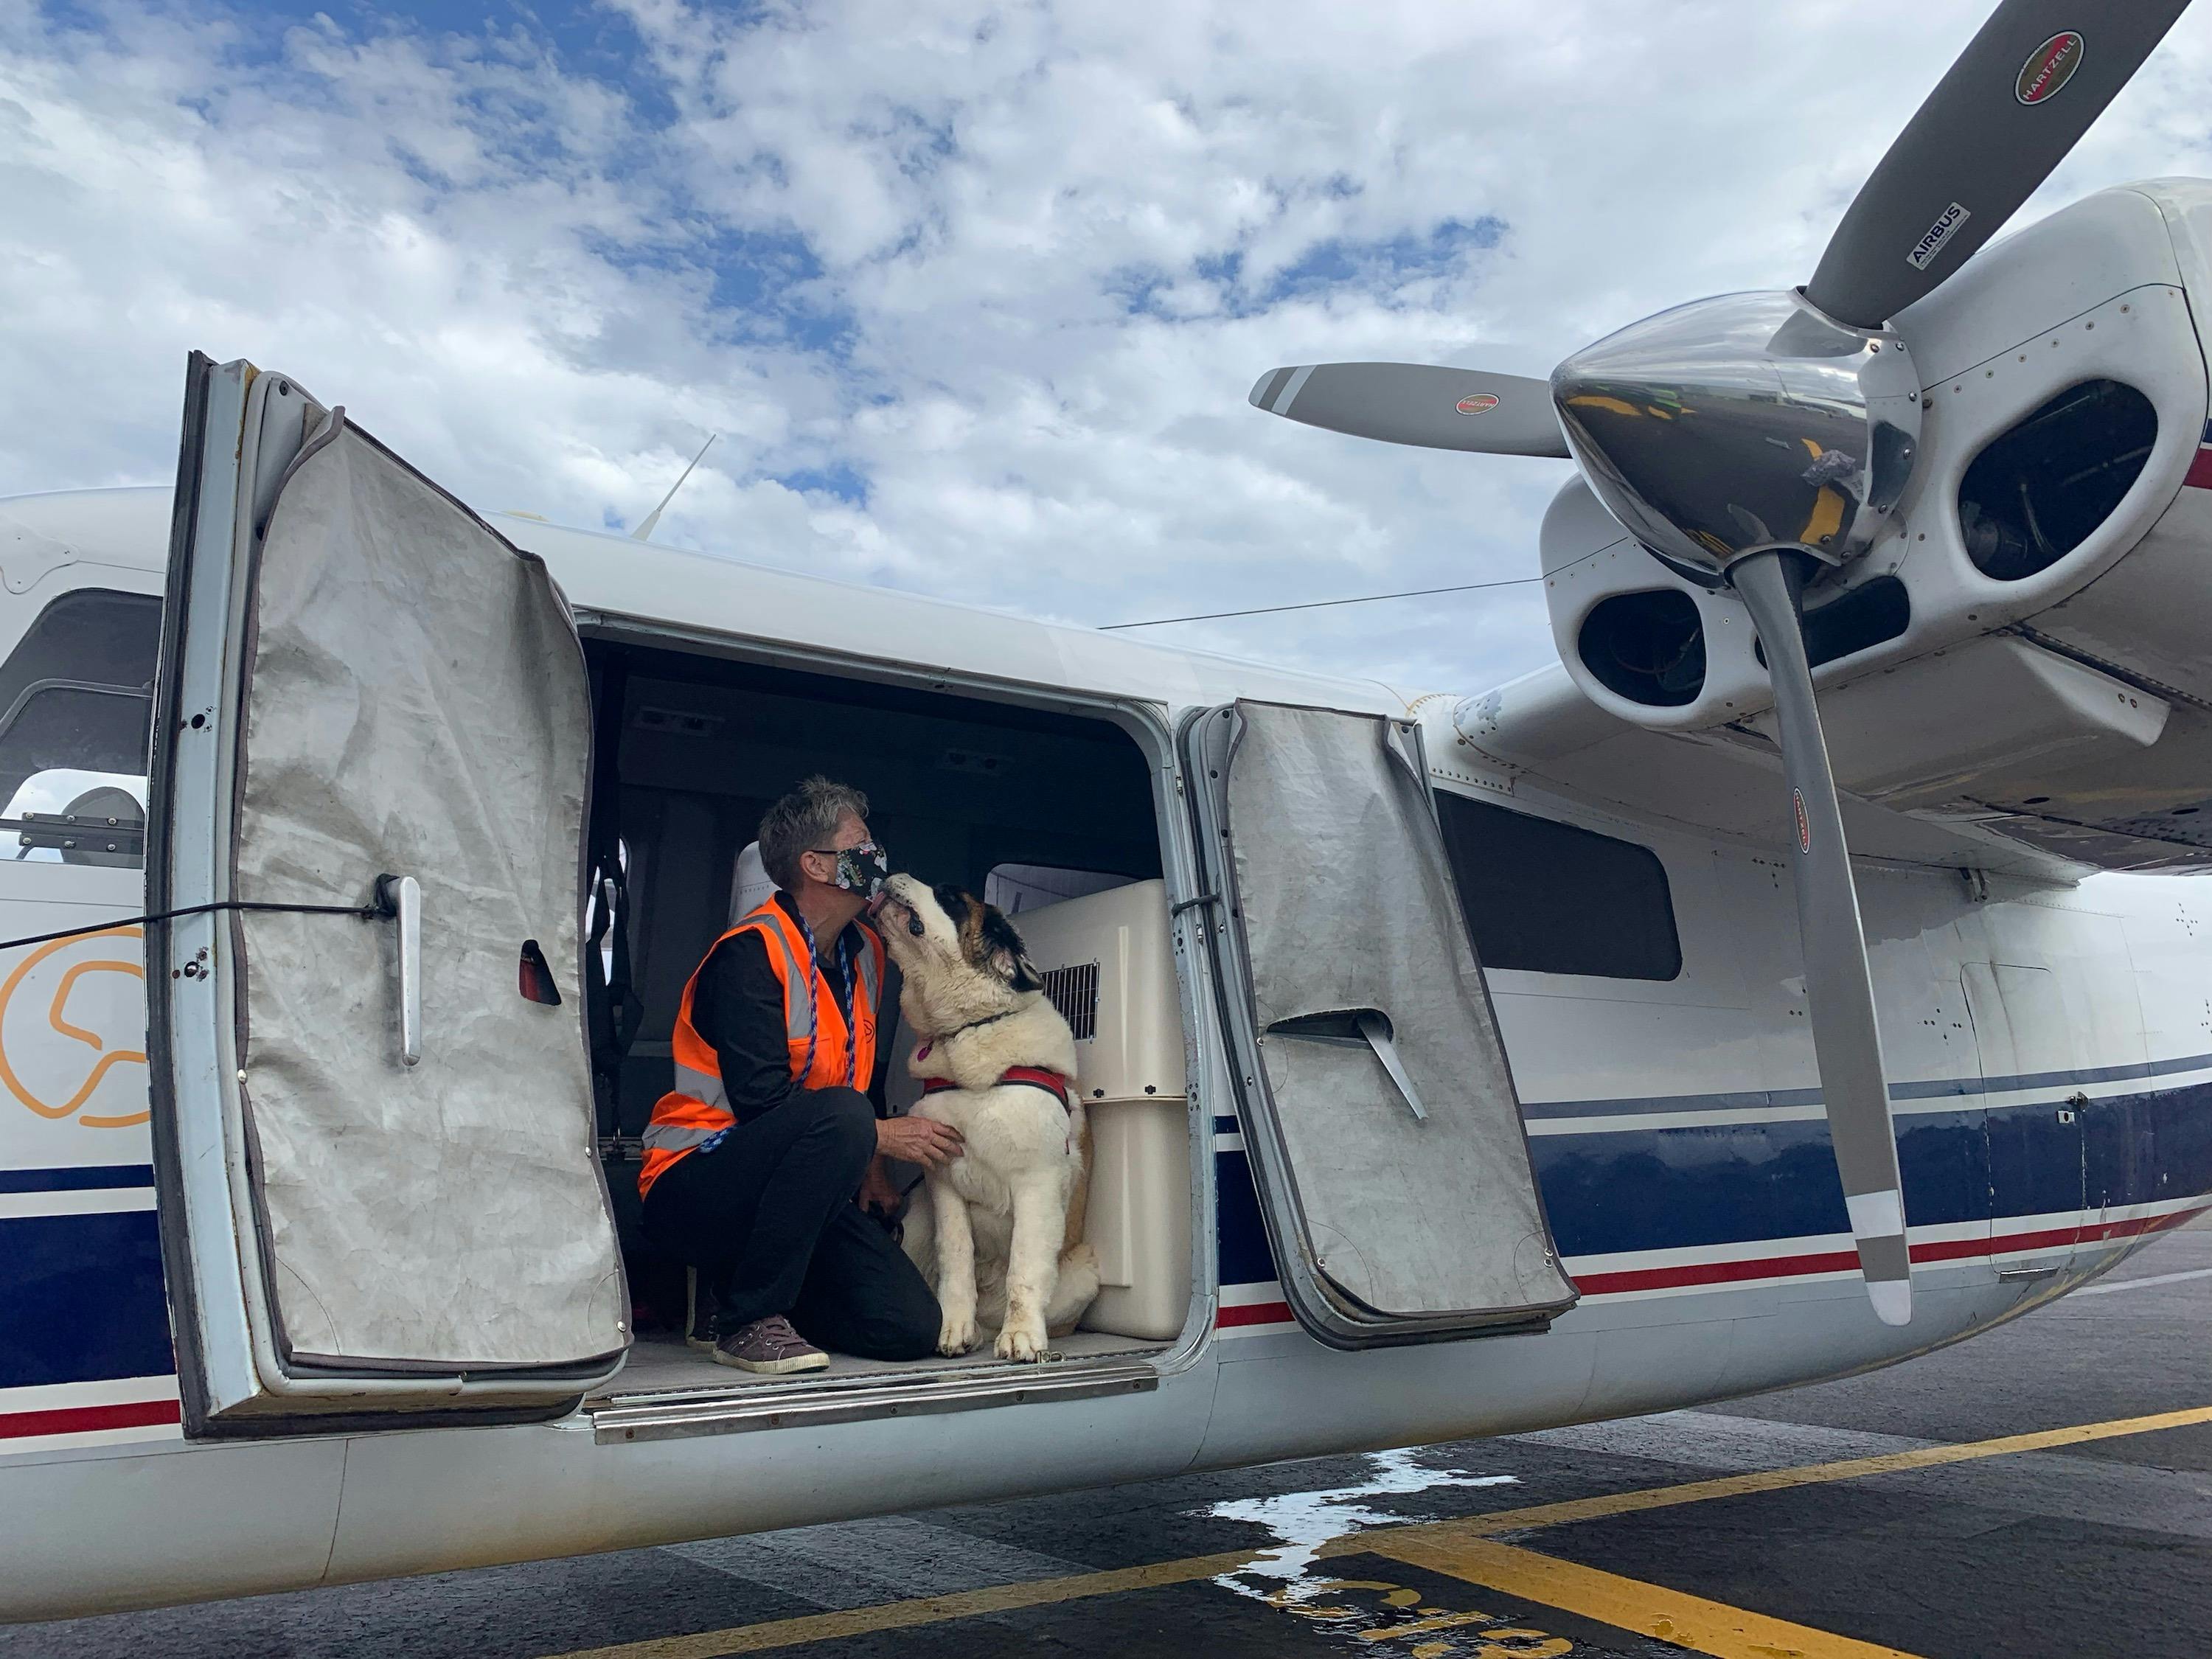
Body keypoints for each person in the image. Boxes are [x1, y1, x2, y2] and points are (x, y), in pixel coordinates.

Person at [639, 777, 963, 1374]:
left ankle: (738, 1288)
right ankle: (747, 1320)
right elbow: (765, 1103)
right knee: (844, 1116)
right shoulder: (749, 953)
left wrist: (872, 1171)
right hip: (696, 1182)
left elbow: (857, 1076)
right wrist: (879, 1136)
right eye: (861, 847)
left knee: (908, 1327)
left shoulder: (864, 954)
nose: (877, 859)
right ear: (816, 865)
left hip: (795, 1186)